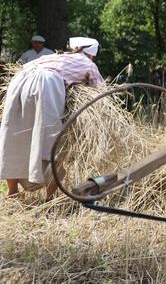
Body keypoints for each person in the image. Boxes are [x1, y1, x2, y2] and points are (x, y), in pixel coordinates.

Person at [0, 37, 104, 200]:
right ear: (91, 54)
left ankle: (12, 191)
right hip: (45, 84)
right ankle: (49, 197)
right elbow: (100, 92)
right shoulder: (88, 64)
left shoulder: (56, 56)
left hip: (19, 82)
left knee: (15, 134)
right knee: (50, 140)